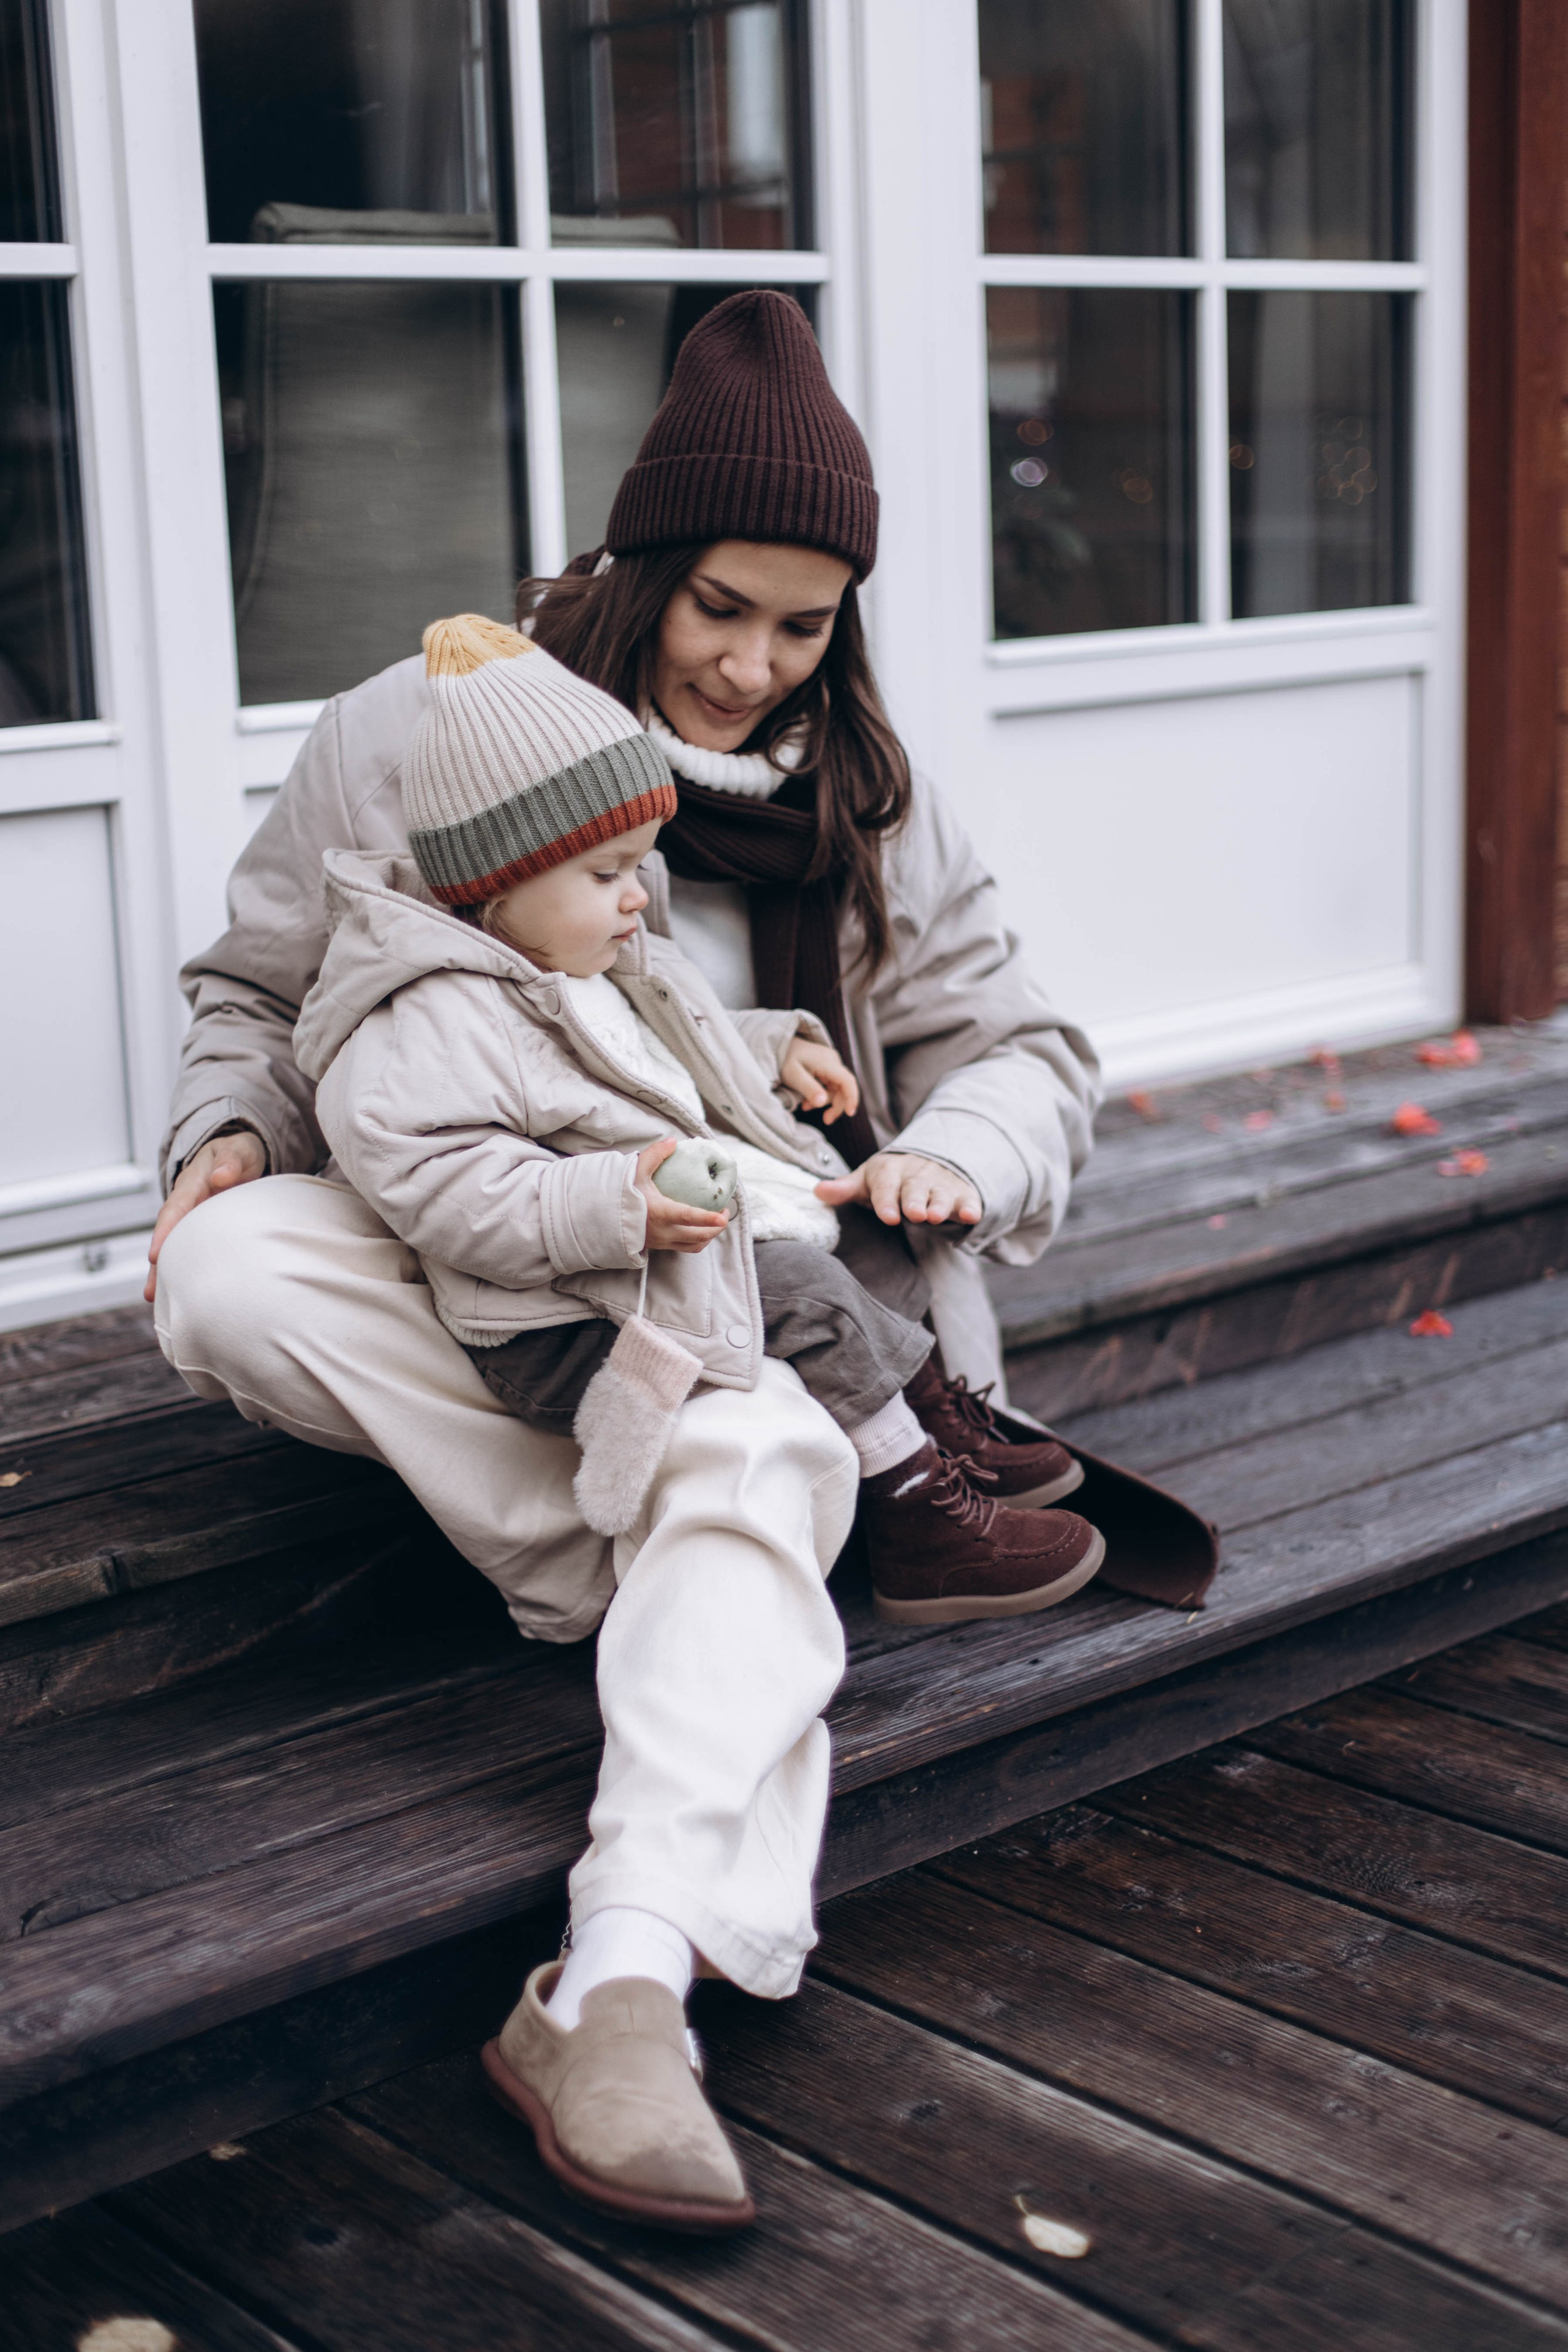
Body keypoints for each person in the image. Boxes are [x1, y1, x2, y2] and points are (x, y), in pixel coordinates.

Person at [147, 291, 1101, 2233]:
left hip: (773, 1284)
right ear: (642, 565)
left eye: (807, 623)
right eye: (720, 607)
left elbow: (1027, 1048)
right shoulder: (427, 733)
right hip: (499, 1255)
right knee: (228, 1268)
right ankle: (704, 1539)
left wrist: (938, 1153)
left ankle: (623, 1981)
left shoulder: (868, 800)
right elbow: (254, 988)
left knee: (748, 1412)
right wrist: (228, 1130)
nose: (757, 664)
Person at [300, 608, 1106, 1630]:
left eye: (640, 866)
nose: (637, 897)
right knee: (808, 1291)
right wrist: (612, 1202)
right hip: (566, 1307)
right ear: (494, 881)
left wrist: (775, 1048)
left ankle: (938, 1427)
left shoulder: (598, 954)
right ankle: (917, 1525)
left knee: (864, 1225)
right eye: (606, 875)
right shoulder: (428, 1015)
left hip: (666, 1240)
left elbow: (680, 1035)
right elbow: (442, 1184)